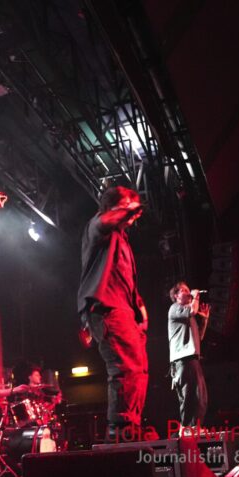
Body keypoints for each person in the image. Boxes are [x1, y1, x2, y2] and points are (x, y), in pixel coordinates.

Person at [77, 186, 148, 440]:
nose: (132, 213)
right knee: (125, 367)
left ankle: (131, 427)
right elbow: (107, 221)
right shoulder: (97, 226)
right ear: (110, 207)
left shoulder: (122, 240)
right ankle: (120, 432)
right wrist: (130, 209)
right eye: (125, 205)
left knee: (138, 369)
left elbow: (123, 277)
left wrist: (139, 306)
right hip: (106, 308)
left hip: (123, 310)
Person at [168, 282, 210, 428]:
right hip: (182, 359)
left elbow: (199, 336)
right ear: (176, 295)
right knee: (189, 396)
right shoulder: (175, 308)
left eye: (188, 290)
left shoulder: (188, 315)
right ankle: (187, 427)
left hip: (192, 358)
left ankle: (194, 428)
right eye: (184, 290)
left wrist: (204, 319)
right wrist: (195, 296)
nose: (188, 293)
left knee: (200, 396)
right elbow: (192, 310)